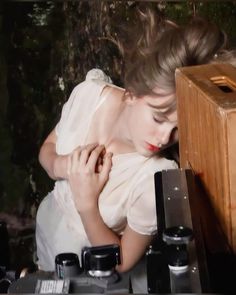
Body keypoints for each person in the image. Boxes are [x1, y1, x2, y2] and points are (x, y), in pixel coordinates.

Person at [35, 5, 231, 292]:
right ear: (132, 92)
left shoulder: (156, 178)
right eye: (158, 117)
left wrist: (86, 203)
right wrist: (64, 166)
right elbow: (47, 149)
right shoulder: (88, 95)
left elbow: (122, 261)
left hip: (97, 278)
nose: (164, 137)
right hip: (48, 233)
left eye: (177, 129)